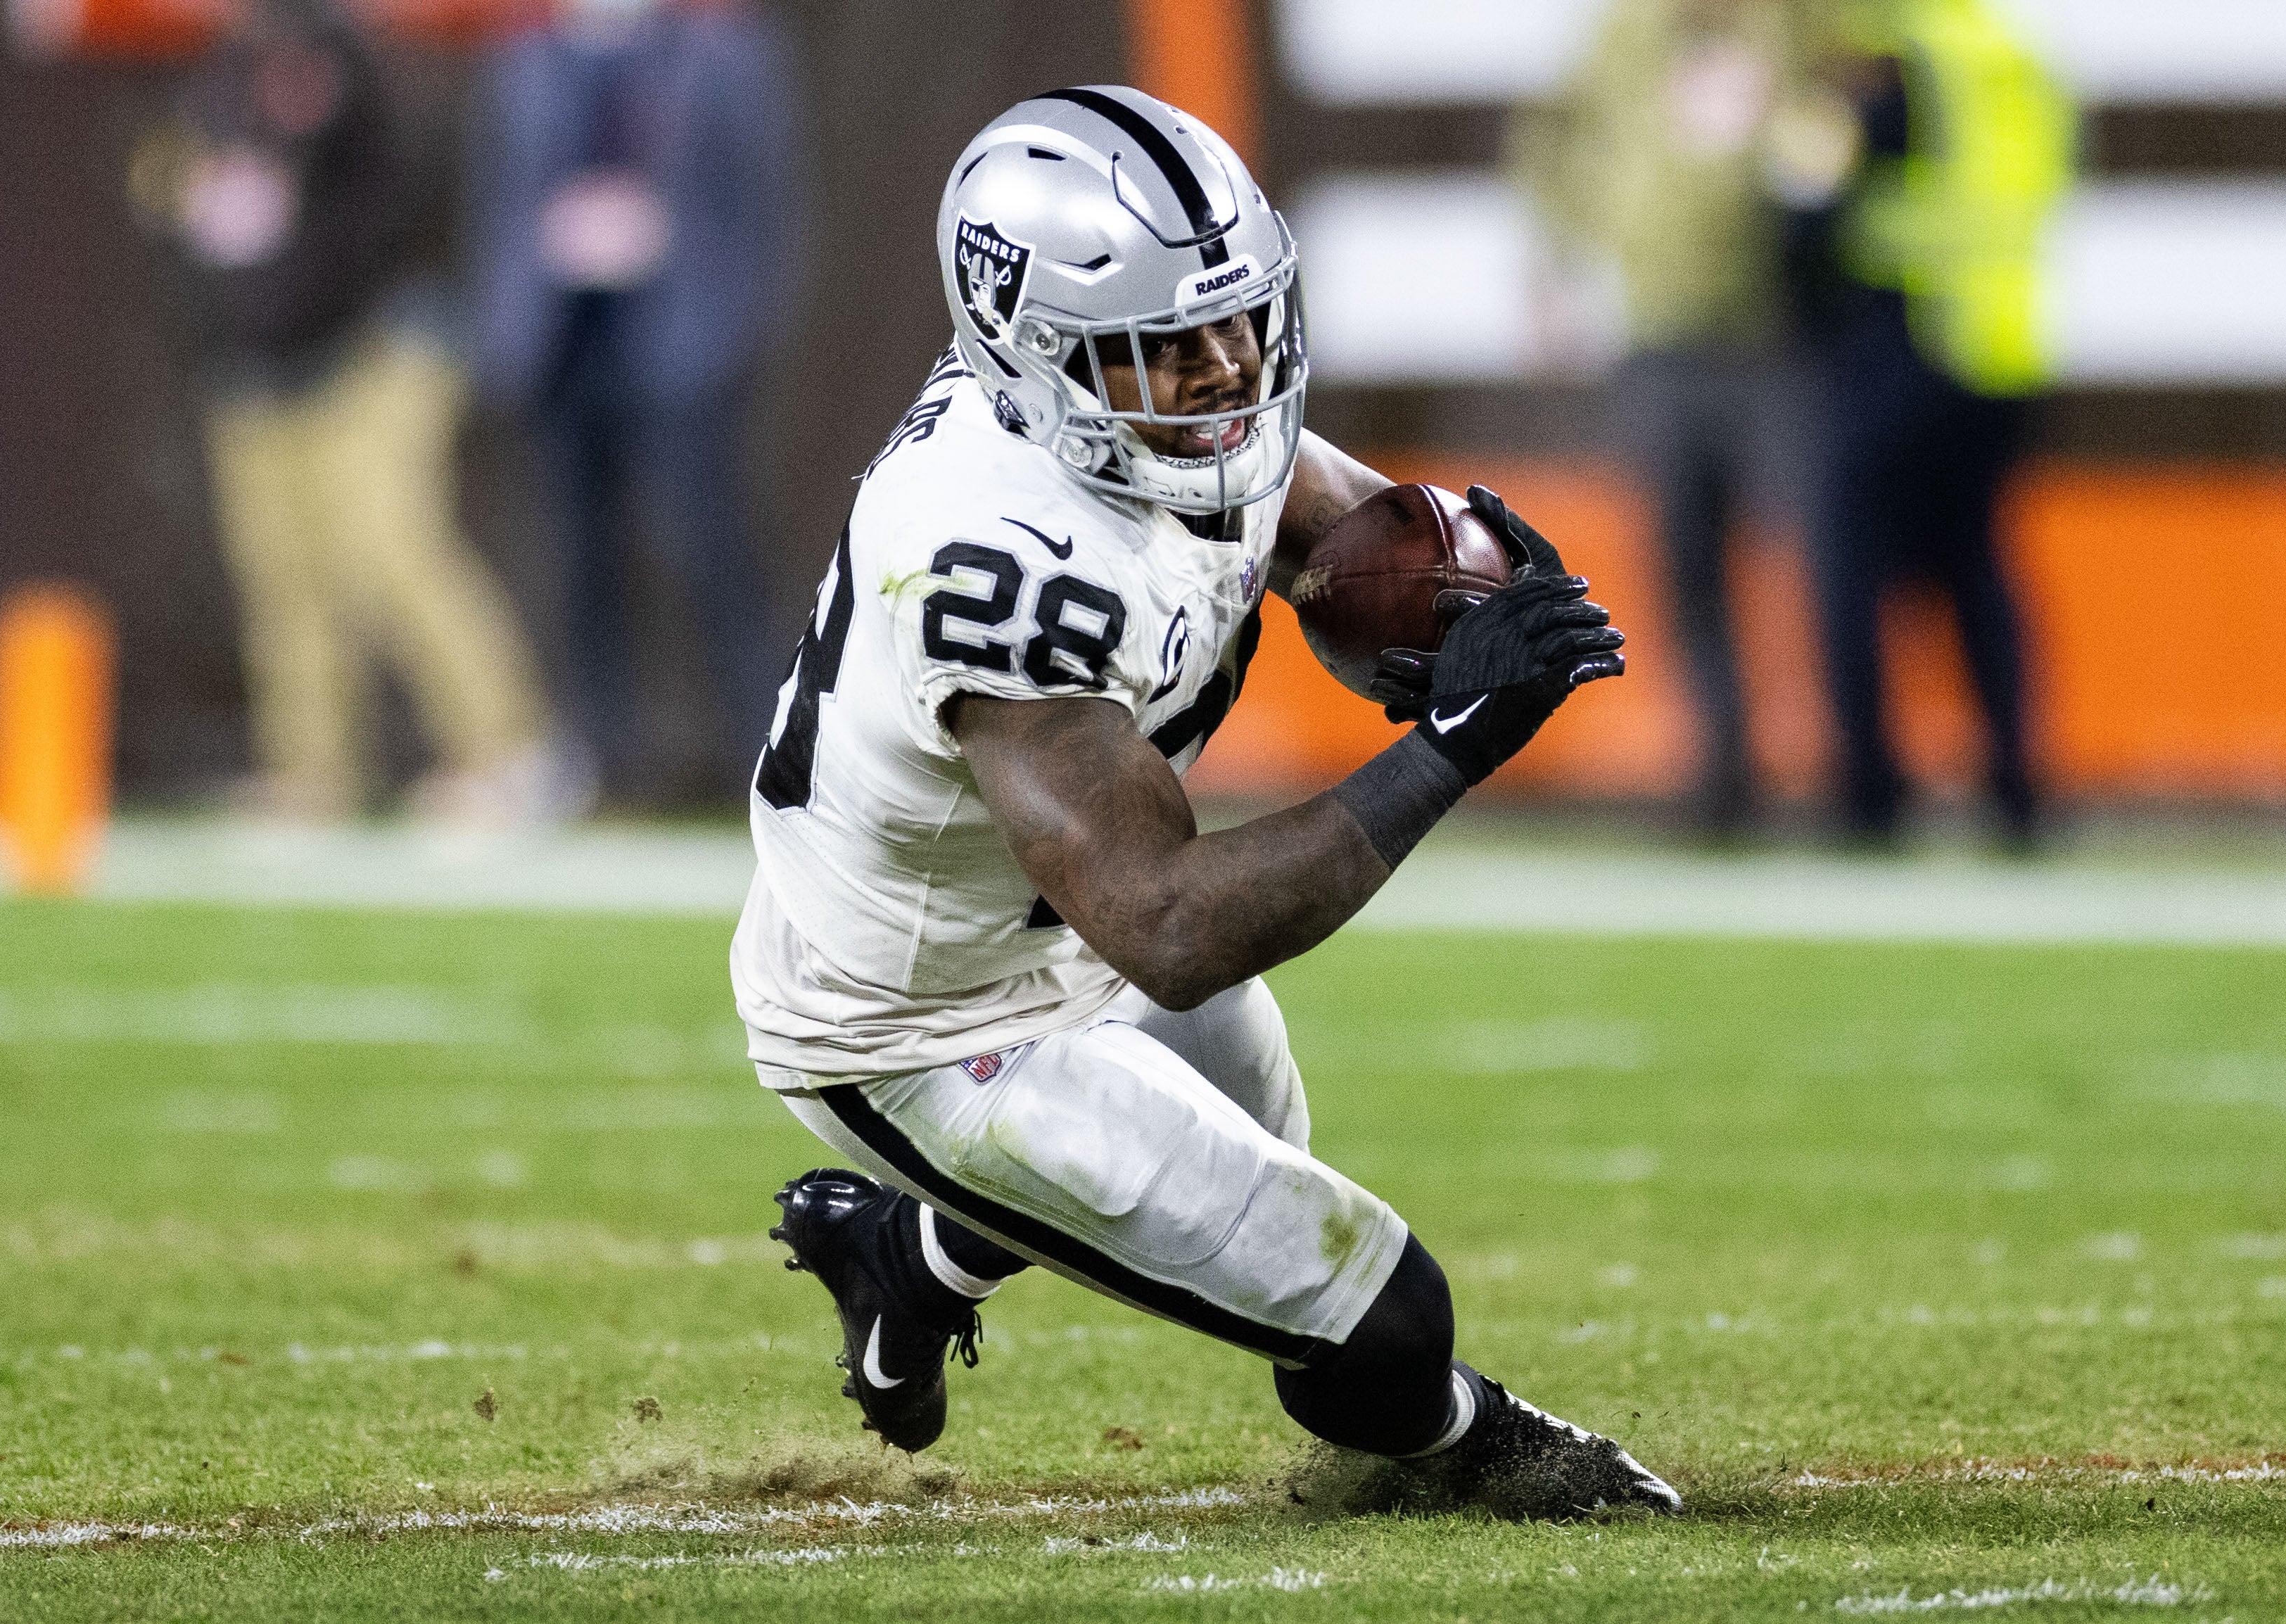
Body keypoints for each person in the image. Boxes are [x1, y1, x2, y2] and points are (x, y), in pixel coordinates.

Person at [730, 87, 1675, 1518]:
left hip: (1057, 915)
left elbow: (1356, 545)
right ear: (1036, 359)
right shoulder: (992, 554)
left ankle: (902, 1262)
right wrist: (1453, 743)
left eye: (1240, 319)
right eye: (1171, 345)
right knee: (1378, 1319)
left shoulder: (1150, 417)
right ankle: (1472, 1445)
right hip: (919, 1019)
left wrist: (1461, 587)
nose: (1229, 370)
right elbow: (1168, 926)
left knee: (1254, 1177)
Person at [152, 0, 566, 825]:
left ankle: (511, 752)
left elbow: (386, 184)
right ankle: (313, 772)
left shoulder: (348, 56)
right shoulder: (223, 71)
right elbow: (180, 181)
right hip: (259, 359)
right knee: (283, 572)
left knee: (387, 543)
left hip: (373, 345)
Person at [1516, 0, 1833, 838]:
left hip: (1776, 337)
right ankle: (1721, 774)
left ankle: (1831, 762)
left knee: (1807, 554)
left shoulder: (1791, 24)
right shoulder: (1627, 34)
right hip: (1660, 336)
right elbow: (1552, 142)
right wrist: (1555, 263)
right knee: (1685, 566)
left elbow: (1832, 131)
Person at [472, 0, 795, 804]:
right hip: (566, 340)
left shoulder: (719, 54)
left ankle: (768, 757)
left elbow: (765, 199)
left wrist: (729, 328)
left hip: (679, 343)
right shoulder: (530, 57)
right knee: (582, 562)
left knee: (706, 551)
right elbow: (502, 197)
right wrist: (511, 321)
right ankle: (608, 761)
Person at [1786, 0, 2072, 846]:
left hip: (1903, 337)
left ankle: (1870, 795)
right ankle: (2016, 786)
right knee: (1976, 562)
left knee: (1848, 567)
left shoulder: (1886, 64)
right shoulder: (2014, 54)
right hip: (2004, 345)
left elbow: (1806, 202)